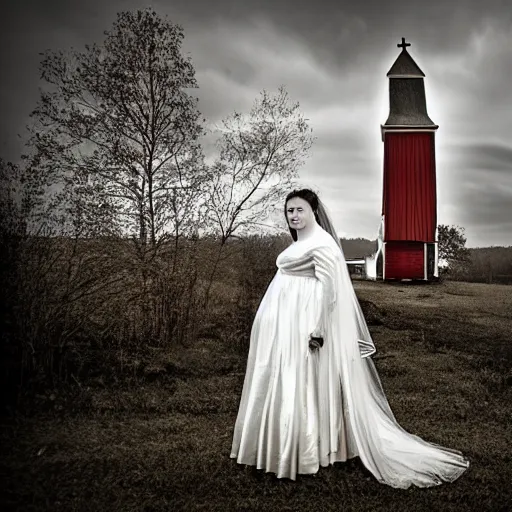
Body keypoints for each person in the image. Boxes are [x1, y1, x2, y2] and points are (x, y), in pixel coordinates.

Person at [230, 188, 469, 488]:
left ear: (313, 211)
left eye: (299, 209)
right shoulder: (300, 242)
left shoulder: (323, 244)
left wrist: (317, 329)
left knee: (303, 383)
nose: (293, 215)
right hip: (283, 327)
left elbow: (331, 292)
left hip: (306, 324)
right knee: (285, 380)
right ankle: (278, 443)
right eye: (289, 210)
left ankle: (306, 450)